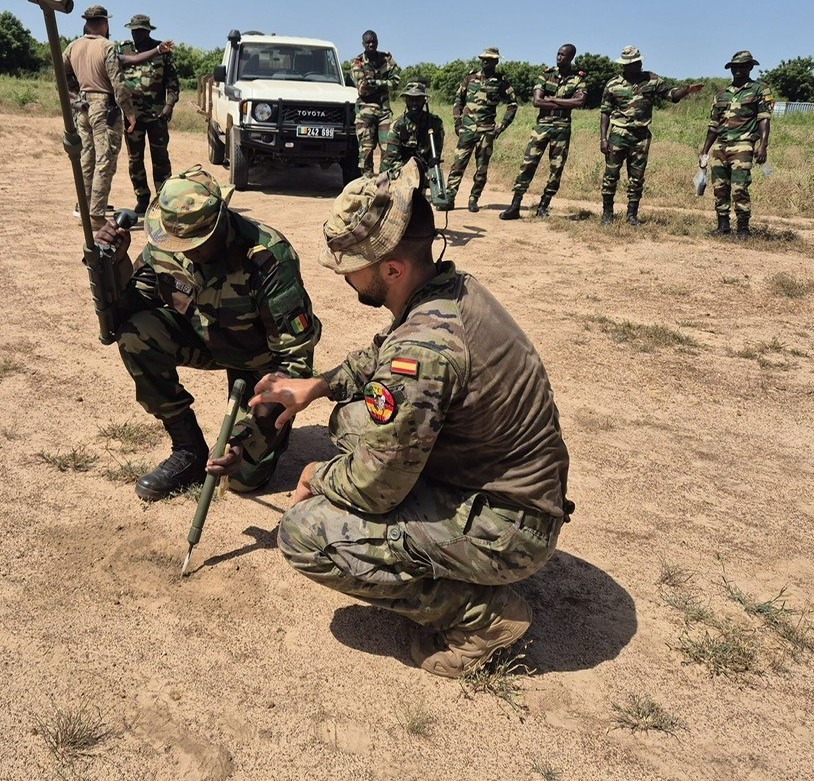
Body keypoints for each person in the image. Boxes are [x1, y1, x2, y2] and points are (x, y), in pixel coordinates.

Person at [216, 162, 572, 679]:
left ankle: (481, 619)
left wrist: (318, 477)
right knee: (350, 421)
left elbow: (374, 489)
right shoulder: (446, 292)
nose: (343, 276)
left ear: (392, 269)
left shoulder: (425, 349)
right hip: (508, 486)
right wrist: (315, 387)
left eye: (351, 265)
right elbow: (379, 357)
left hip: (512, 526)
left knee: (305, 533)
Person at [95, 166, 321, 501]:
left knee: (242, 479)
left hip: (260, 362)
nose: (185, 250)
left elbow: (294, 360)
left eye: (196, 243)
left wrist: (245, 441)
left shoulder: (267, 257)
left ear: (220, 221)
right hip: (205, 341)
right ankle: (188, 450)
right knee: (136, 334)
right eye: (177, 241)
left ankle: (272, 431)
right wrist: (114, 265)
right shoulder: (168, 242)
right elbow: (133, 308)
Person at [599, 46, 703, 225]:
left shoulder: (651, 80)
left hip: (641, 136)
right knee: (611, 175)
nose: (637, 64)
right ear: (624, 65)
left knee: (637, 177)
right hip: (618, 134)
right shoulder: (612, 84)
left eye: (638, 61)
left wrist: (686, 91)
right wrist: (603, 138)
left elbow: (670, 94)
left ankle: (632, 215)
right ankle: (607, 213)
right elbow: (605, 112)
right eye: (632, 63)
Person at [64, 5, 137, 230]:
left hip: (82, 107)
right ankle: (96, 216)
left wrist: (73, 97)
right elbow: (118, 84)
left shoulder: (73, 46)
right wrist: (130, 112)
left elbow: (60, 73)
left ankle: (83, 208)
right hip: (104, 108)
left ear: (86, 24)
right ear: (105, 25)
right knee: (105, 160)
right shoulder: (108, 47)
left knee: (86, 158)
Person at [502, 45, 587, 220]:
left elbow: (579, 102)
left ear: (571, 57)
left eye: (563, 55)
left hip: (562, 127)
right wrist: (564, 102)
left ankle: (544, 205)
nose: (559, 57)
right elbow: (537, 101)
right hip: (542, 126)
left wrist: (553, 99)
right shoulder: (546, 74)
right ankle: (515, 205)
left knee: (556, 168)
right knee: (528, 164)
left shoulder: (578, 78)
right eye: (558, 53)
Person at [700, 50, 773, 239]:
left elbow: (763, 119)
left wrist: (763, 145)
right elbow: (713, 124)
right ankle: (723, 225)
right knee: (719, 187)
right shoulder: (722, 94)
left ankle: (742, 228)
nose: (738, 70)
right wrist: (705, 150)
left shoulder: (759, 90)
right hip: (721, 146)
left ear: (750, 67)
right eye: (735, 67)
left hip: (743, 144)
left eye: (742, 66)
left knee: (740, 187)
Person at [117, 14, 179, 214]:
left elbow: (172, 83)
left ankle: (163, 198)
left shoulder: (163, 50)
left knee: (160, 158)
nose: (137, 34)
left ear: (148, 31)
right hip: (132, 116)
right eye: (134, 31)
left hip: (157, 115)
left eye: (140, 31)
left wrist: (169, 106)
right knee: (135, 159)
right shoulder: (122, 49)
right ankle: (142, 198)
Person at [446, 47, 517, 212]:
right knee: (458, 165)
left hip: (487, 131)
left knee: (481, 169)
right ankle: (449, 198)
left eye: (490, 60)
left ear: (496, 62)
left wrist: (501, 127)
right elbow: (458, 100)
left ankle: (473, 199)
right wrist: (457, 122)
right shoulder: (470, 78)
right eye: (484, 59)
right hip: (467, 129)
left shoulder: (501, 82)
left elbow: (513, 105)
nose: (485, 62)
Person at [349, 30, 402, 177]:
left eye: (373, 41)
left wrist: (375, 82)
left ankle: (384, 182)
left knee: (389, 148)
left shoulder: (387, 60)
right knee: (366, 151)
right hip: (365, 112)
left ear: (377, 41)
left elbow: (396, 83)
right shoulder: (357, 62)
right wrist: (383, 84)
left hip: (384, 112)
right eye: (368, 42)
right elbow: (363, 89)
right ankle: (367, 183)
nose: (371, 44)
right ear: (363, 44)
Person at [380, 81, 445, 172]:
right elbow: (393, 160)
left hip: (424, 169)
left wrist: (431, 165)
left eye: (418, 99)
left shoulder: (435, 123)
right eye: (411, 100)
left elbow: (436, 153)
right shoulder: (397, 126)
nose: (414, 103)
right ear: (406, 101)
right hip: (400, 170)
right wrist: (410, 174)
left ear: (424, 101)